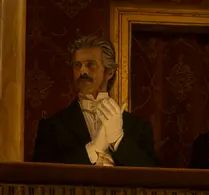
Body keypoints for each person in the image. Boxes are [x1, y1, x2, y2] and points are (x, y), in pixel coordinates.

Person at [32, 36, 157, 167]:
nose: (82, 71)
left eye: (90, 65)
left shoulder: (139, 127)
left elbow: (153, 173)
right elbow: (42, 173)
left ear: (110, 72)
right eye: (77, 65)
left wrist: (118, 140)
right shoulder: (52, 126)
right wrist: (93, 149)